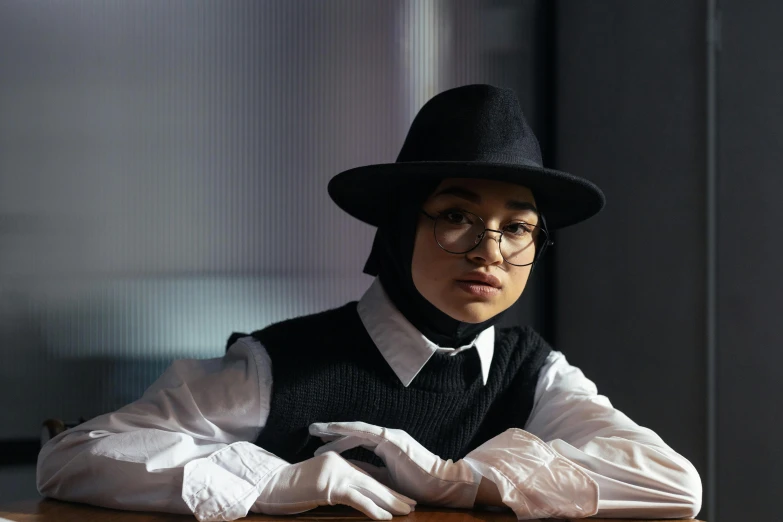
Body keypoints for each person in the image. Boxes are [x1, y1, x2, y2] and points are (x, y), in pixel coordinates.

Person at [37, 84, 702, 521]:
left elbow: (673, 487)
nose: (488, 251)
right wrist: (274, 483)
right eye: (455, 216)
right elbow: (73, 457)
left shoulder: (533, 373)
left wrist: (458, 478)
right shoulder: (282, 366)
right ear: (399, 226)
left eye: (517, 227)